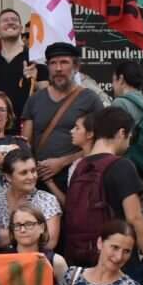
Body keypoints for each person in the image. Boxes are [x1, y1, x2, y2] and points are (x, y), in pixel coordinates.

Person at [62, 108, 143, 285]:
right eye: (129, 138)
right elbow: (134, 218)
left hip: (84, 260)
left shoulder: (79, 167)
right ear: (121, 133)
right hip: (120, 260)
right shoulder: (122, 166)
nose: (128, 144)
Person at [20, 41, 105, 186]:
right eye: (53, 63)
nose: (58, 68)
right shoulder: (35, 100)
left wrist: (62, 162)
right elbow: (25, 143)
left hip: (78, 178)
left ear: (76, 66)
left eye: (64, 62)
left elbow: (101, 143)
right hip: (39, 181)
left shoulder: (90, 99)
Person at [0, 148, 63, 253]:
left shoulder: (47, 200)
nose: (31, 176)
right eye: (23, 173)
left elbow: (49, 242)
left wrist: (8, 235)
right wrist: (31, 233)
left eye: (33, 171)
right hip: (2, 263)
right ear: (8, 177)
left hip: (36, 262)